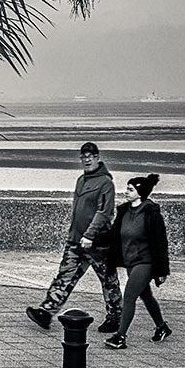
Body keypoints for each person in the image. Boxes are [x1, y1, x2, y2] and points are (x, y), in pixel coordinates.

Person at [26, 140, 121, 332]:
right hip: (76, 241)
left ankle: (116, 317)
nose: (87, 160)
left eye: (90, 157)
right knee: (64, 276)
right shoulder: (81, 180)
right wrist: (73, 237)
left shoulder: (106, 183)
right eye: (83, 157)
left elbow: (104, 213)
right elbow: (77, 212)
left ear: (98, 158)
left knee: (108, 280)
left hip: (98, 243)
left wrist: (89, 235)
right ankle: (46, 312)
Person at [105, 173, 172, 349]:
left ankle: (120, 337)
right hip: (130, 261)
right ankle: (162, 327)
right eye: (127, 188)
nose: (126, 192)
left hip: (146, 261)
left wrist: (162, 270)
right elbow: (114, 235)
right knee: (146, 296)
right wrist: (91, 240)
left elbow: (160, 242)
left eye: (130, 189)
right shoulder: (124, 211)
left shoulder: (151, 213)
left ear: (140, 193)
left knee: (129, 297)